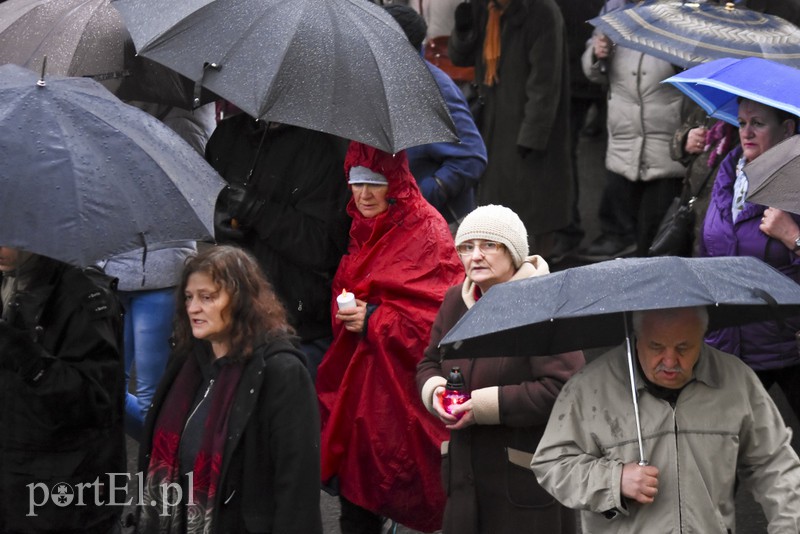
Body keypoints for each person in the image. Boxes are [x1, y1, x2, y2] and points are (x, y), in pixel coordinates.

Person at [531, 306, 800, 532]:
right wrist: (614, 480)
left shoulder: (736, 380)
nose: (670, 361)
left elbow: (774, 462)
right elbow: (552, 462)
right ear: (637, 337)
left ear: (704, 337)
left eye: (684, 347)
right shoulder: (588, 388)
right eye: (656, 346)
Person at [316, 142, 464, 533]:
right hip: (359, 385)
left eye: (375, 183)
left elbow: (440, 323)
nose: (363, 194)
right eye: (356, 182)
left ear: (394, 183)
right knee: (357, 493)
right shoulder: (359, 226)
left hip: (401, 389)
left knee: (397, 485)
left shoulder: (428, 231)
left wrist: (375, 320)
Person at [416, 204, 585, 534]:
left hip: (523, 489)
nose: (475, 256)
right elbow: (428, 362)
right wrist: (436, 392)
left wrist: (480, 408)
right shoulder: (455, 301)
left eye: (488, 245)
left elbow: (563, 388)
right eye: (466, 247)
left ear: (513, 252)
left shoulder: (543, 304)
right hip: (465, 484)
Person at [135, 245, 322, 533]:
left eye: (207, 297)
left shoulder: (280, 373)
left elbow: (297, 485)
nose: (193, 308)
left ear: (241, 300)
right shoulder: (187, 362)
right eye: (188, 297)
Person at [207, 115, 350, 382]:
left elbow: (323, 246)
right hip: (231, 314)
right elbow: (203, 200)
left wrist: (258, 211)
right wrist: (217, 223)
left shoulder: (323, 148)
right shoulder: (228, 135)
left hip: (295, 325)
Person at [0, 247, 125, 533]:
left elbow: (95, 401)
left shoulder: (82, 297)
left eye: (8, 237)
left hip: (59, 486)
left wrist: (28, 359)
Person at [698, 98, 800, 428]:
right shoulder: (727, 170)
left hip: (785, 341)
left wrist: (793, 237)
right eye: (741, 123)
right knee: (730, 449)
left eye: (758, 123)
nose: (747, 132)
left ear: (788, 128)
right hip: (728, 339)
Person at [449, 0, 573, 258]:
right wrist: (463, 28)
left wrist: (532, 137)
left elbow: (545, 81)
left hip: (524, 135)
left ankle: (532, 276)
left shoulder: (542, 12)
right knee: (497, 214)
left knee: (532, 218)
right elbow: (460, 57)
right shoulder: (486, 8)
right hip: (493, 125)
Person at [577, 0, 691, 260]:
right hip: (623, 142)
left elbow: (696, 73)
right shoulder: (614, 9)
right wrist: (597, 54)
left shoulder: (679, 12)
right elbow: (591, 72)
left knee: (655, 235)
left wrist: (679, 61)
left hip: (666, 147)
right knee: (626, 228)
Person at [384, 4, 488, 231]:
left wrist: (422, 196)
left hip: (437, 225)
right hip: (401, 220)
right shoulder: (389, 79)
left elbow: (471, 157)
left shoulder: (434, 89)